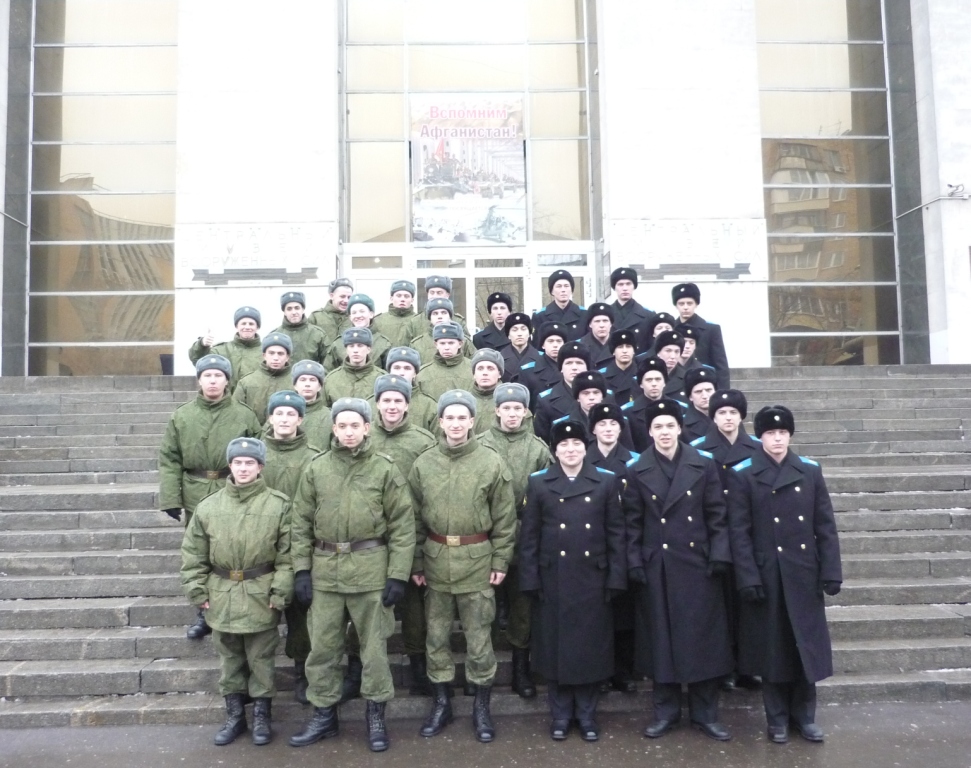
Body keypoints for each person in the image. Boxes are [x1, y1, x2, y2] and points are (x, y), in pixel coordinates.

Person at [289, 398, 415, 753]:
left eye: (354, 425)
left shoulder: (385, 469)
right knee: (323, 649)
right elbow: (299, 523)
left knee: (374, 651)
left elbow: (403, 526)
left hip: (370, 572)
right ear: (333, 429)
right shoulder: (316, 469)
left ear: (366, 428)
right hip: (326, 573)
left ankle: (376, 716)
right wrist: (301, 570)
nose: (348, 432)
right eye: (341, 426)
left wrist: (398, 575)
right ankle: (324, 715)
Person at [727, 405, 842, 745]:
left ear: (790, 435)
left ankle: (805, 718)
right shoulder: (744, 474)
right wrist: (748, 577)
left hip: (803, 574)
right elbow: (739, 532)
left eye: (782, 433)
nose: (777, 439)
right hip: (767, 576)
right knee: (773, 651)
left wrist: (831, 571)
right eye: (769, 433)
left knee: (804, 648)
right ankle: (776, 720)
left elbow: (825, 526)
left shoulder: (809, 471)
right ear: (760, 436)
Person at [623, 398, 734, 742]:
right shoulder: (637, 468)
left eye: (670, 425)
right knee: (662, 641)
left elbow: (717, 514)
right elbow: (631, 522)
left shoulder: (703, 464)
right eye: (658, 427)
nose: (664, 432)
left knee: (701, 641)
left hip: (697, 566)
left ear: (680, 428)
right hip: (658, 566)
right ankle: (665, 712)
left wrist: (718, 555)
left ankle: (705, 714)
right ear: (649, 431)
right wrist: (635, 561)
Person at [409, 390, 516, 743]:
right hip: (437, 561)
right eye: (449, 418)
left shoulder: (490, 461)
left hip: (477, 561)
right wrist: (418, 560)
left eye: (462, 418)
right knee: (436, 636)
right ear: (440, 422)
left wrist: (500, 558)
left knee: (479, 638)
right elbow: (412, 519)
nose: (456, 424)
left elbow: (504, 517)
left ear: (473, 421)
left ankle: (481, 706)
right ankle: (442, 702)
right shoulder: (424, 463)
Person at [180, 437, 293, 746]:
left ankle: (261, 717)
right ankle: (234, 717)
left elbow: (287, 555)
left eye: (250, 463)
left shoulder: (279, 505)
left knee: (261, 660)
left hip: (260, 593)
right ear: (230, 466)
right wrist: (197, 589)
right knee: (229, 660)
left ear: (260, 467)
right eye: (238, 462)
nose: (244, 468)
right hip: (221, 594)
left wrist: (280, 592)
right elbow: (194, 555)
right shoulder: (209, 506)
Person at [519, 419, 626, 742]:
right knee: (555, 650)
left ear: (585, 447)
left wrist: (616, 578)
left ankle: (587, 714)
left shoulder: (605, 481)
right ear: (555, 450)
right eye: (563, 445)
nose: (570, 450)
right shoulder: (539, 483)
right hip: (553, 579)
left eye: (576, 444)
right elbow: (529, 537)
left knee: (589, 649)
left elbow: (616, 533)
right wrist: (530, 580)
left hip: (592, 578)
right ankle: (561, 714)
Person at [159, 355, 262, 640]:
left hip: (237, 490)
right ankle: (203, 611)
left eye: (219, 375)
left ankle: (245, 607)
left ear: (228, 380)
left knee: (239, 550)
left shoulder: (244, 414)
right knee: (202, 553)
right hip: (196, 492)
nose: (213, 380)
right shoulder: (182, 416)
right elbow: (169, 458)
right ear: (199, 380)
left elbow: (261, 456)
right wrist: (171, 498)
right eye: (207, 375)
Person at [365, 374, 437, 696]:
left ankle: (418, 665)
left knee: (413, 609)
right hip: (370, 538)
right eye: (386, 400)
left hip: (412, 534)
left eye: (398, 400)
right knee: (365, 609)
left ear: (408, 405)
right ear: (376, 403)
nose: (392, 406)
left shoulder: (423, 441)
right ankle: (360, 667)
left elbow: (429, 494)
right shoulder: (363, 438)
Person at [480, 383, 552, 700]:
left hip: (525, 536)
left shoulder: (538, 449)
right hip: (486, 537)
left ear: (526, 412)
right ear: (496, 409)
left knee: (522, 606)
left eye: (517, 408)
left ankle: (521, 670)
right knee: (484, 606)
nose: (512, 413)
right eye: (506, 407)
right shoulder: (480, 444)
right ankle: (483, 669)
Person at [690, 389, 762, 694]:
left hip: (750, 535)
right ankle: (725, 667)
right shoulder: (698, 449)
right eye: (721, 413)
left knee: (749, 607)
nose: (728, 418)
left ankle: (750, 666)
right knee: (720, 605)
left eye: (733, 412)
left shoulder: (757, 448)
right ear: (713, 416)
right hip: (714, 535)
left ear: (741, 416)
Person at [261, 390, 321, 706]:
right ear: (270, 417)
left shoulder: (314, 457)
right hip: (262, 546)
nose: (284, 419)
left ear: (300, 419)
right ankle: (255, 684)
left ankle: (302, 673)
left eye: (291, 414)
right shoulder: (255, 457)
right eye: (279, 413)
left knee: (301, 615)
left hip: (300, 544)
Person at [587, 403, 640, 694]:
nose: (608, 429)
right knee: (598, 612)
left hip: (625, 541)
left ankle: (623, 669)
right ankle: (601, 669)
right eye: (602, 424)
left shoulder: (634, 462)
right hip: (593, 544)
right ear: (593, 429)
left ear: (621, 428)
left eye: (614, 424)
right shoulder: (582, 460)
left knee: (623, 611)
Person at [188, 306, 263, 392]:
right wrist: (202, 345)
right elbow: (198, 360)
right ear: (236, 326)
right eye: (243, 323)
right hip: (227, 401)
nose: (247, 327)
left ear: (257, 327)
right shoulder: (221, 350)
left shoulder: (266, 352)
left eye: (251, 324)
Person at [672, 283, 730, 389]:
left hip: (703, 384)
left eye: (689, 303)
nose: (685, 307)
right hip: (675, 384)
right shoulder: (671, 329)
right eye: (681, 303)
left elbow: (721, 365)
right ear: (676, 305)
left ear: (696, 304)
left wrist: (722, 392)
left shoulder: (711, 329)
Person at [533, 341, 590, 444]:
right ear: (561, 368)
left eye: (579, 363)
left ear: (587, 367)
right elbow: (542, 441)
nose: (574, 367)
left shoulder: (603, 396)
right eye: (568, 363)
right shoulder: (546, 401)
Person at [233, 332, 294, 423]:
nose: (276, 358)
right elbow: (236, 414)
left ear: (287, 357)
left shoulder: (297, 382)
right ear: (264, 355)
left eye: (280, 354)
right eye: (271, 353)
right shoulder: (247, 382)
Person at [325, 294, 393, 371]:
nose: (358, 316)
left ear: (371, 314)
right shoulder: (338, 343)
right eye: (354, 313)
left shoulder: (383, 343)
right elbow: (328, 372)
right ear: (350, 317)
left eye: (362, 311)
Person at [322, 327, 386, 406]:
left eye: (360, 346)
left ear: (368, 349)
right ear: (346, 350)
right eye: (351, 346)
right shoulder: (331, 380)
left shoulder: (382, 379)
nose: (355, 350)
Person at [381, 347, 439, 433]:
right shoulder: (374, 402)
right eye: (396, 368)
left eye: (407, 368)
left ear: (415, 373)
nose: (401, 373)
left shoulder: (429, 406)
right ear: (389, 371)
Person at [620, 356, 670, 453]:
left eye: (658, 379)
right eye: (649, 380)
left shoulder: (679, 409)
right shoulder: (628, 413)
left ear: (664, 382)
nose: (654, 384)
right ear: (641, 384)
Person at [414, 322, 474, 402]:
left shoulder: (474, 369)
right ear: (436, 344)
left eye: (451, 343)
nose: (446, 347)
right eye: (442, 343)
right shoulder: (422, 373)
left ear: (460, 344)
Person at [402, 275, 472, 343]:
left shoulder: (458, 321)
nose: (435, 296)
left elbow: (466, 346)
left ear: (447, 295)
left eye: (439, 293)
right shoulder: (415, 321)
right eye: (432, 293)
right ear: (427, 294)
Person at [518, 322, 567, 410]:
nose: (555, 345)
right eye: (550, 341)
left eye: (559, 341)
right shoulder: (528, 371)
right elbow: (523, 403)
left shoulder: (574, 369)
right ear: (543, 345)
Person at [410, 297, 475, 362]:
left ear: (450, 316)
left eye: (444, 313)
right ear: (430, 318)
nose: (439, 316)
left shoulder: (464, 341)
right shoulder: (417, 344)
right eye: (435, 313)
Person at [272, 291, 328, 365]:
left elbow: (327, 364)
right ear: (284, 312)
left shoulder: (318, 334)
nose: (294, 312)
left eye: (297, 308)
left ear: (303, 309)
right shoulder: (275, 335)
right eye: (289, 309)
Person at [609, 266, 655, 351]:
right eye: (620, 284)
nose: (625, 288)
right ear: (614, 287)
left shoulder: (648, 315)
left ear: (634, 286)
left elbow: (651, 347)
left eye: (628, 284)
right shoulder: (606, 314)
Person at [532, 269, 585, 339]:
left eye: (566, 286)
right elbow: (537, 345)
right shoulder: (540, 316)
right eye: (559, 286)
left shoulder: (584, 314)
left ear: (571, 290)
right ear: (552, 291)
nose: (563, 290)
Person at [291, 360, 333, 448]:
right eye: (302, 380)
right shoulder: (283, 414)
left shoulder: (330, 417)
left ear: (320, 386)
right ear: (295, 385)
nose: (307, 384)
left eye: (312, 380)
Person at [371, 280, 418, 348]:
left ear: (412, 300)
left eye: (406, 296)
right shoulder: (378, 321)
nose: (402, 299)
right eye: (398, 296)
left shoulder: (418, 320)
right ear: (391, 298)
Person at [308, 277, 354, 346]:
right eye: (342, 296)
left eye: (349, 297)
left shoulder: (354, 317)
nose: (346, 301)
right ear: (332, 296)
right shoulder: (316, 317)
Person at [598, 329, 639, 406]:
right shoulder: (601, 377)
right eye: (620, 347)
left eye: (628, 347)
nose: (624, 351)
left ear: (634, 351)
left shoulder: (642, 375)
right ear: (613, 351)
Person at [469, 349, 504, 433]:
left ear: (499, 373)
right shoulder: (464, 401)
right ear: (474, 374)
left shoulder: (512, 401)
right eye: (480, 369)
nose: (485, 373)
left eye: (490, 368)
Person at [499, 312, 541, 382]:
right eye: (514, 330)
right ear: (508, 335)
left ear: (529, 333)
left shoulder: (540, 358)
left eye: (523, 329)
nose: (519, 334)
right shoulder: (500, 358)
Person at [681, 368, 716, 443]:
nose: (705, 396)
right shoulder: (682, 425)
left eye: (708, 390)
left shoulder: (729, 418)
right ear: (690, 396)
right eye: (698, 392)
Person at [653, 330, 690, 400]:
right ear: (658, 352)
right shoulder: (646, 376)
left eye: (677, 351)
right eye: (668, 351)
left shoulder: (687, 378)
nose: (673, 356)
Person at [578, 303, 615, 369]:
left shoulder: (619, 344)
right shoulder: (581, 346)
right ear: (590, 324)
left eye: (605, 321)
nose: (601, 325)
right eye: (597, 321)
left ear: (611, 324)